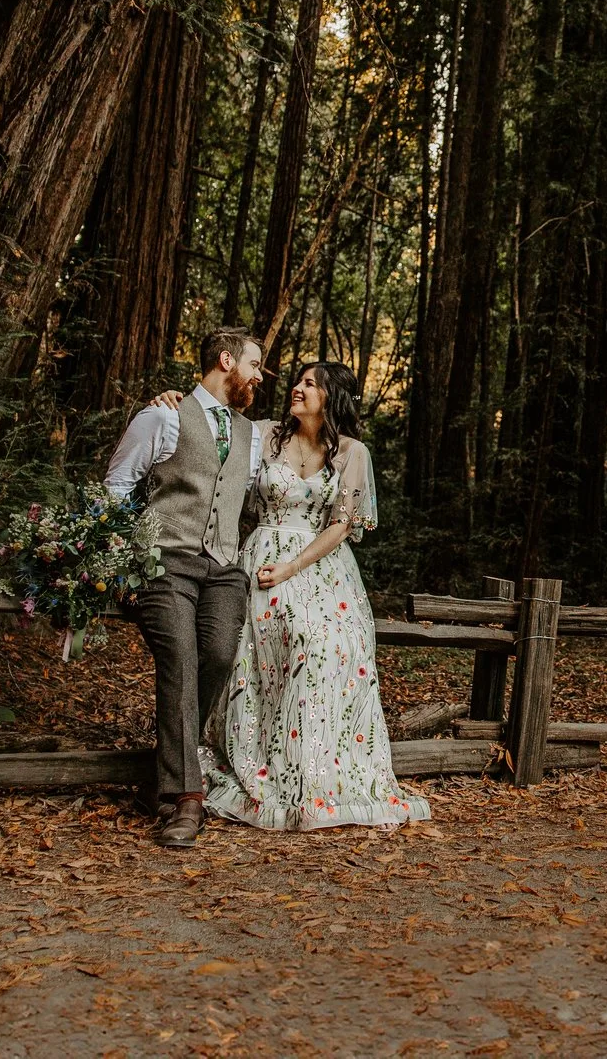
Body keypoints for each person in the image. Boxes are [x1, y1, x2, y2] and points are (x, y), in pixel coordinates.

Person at [201, 361, 429, 832]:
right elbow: (211, 420)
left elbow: (342, 525)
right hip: (260, 556)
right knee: (252, 652)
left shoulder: (352, 453)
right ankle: (253, 757)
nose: (297, 388)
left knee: (322, 645)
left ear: (332, 397)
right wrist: (169, 402)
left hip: (319, 567)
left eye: (310, 383)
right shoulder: (264, 435)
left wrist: (292, 566)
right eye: (298, 380)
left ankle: (315, 770)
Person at [103, 326, 265, 849]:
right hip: (165, 563)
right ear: (226, 361)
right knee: (179, 659)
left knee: (217, 654)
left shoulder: (252, 434)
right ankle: (185, 800)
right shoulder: (164, 415)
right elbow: (117, 485)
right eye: (254, 366)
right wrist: (122, 553)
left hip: (223, 568)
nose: (258, 377)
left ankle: (167, 774)